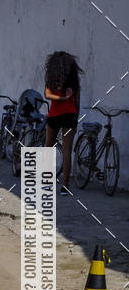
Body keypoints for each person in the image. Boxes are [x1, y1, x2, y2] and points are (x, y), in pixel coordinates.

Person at [44, 51, 83, 195]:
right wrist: (76, 117)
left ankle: (47, 183)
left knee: (48, 148)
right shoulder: (74, 79)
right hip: (70, 115)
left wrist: (60, 99)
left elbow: (47, 95)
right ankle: (65, 186)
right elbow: (77, 101)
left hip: (54, 115)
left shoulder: (52, 77)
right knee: (67, 151)